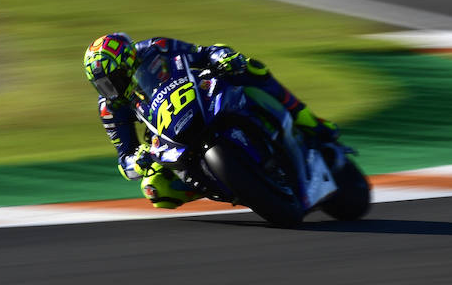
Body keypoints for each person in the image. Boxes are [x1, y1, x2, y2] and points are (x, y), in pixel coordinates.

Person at [83, 32, 341, 209]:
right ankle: (223, 186)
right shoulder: (110, 107)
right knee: (155, 189)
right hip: (167, 133)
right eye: (101, 85)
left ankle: (308, 120)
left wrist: (222, 57)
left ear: (127, 63)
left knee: (250, 67)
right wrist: (137, 161)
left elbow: (202, 53)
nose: (109, 89)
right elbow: (124, 159)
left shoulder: (156, 47)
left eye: (111, 80)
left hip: (197, 96)